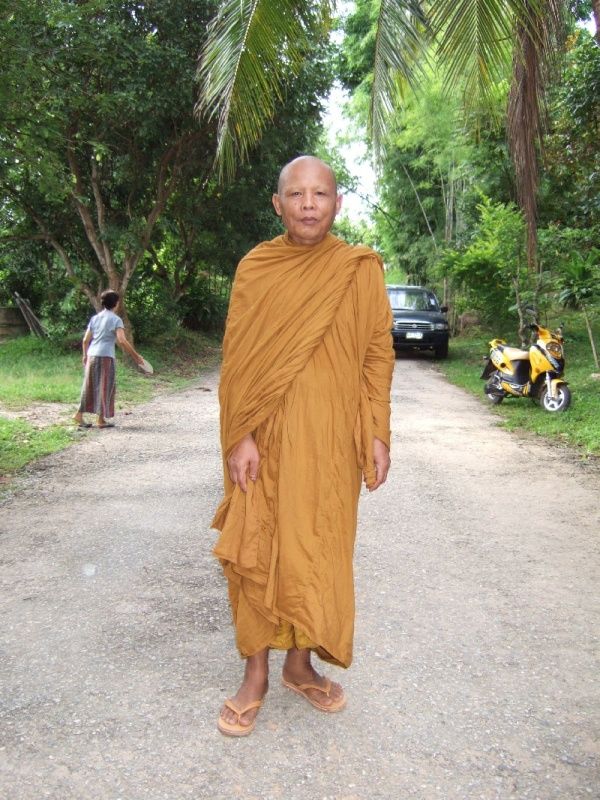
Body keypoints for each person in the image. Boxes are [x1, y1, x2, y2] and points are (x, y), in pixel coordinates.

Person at [212, 155, 395, 737]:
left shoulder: (358, 269)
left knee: (318, 547)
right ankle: (255, 674)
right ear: (278, 204)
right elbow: (238, 359)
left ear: (338, 203)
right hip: (264, 439)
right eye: (296, 194)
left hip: (332, 442)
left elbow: (377, 354)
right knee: (258, 545)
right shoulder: (257, 267)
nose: (309, 204)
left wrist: (377, 432)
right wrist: (240, 434)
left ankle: (300, 663)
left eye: (320, 194)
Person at [73, 290, 144, 429]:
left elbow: (85, 340)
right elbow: (122, 340)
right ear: (116, 304)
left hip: (92, 355)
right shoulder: (116, 320)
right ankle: (100, 420)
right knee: (105, 386)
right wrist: (136, 356)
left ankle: (79, 414)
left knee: (89, 385)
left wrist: (85, 355)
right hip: (106, 356)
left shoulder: (95, 318)